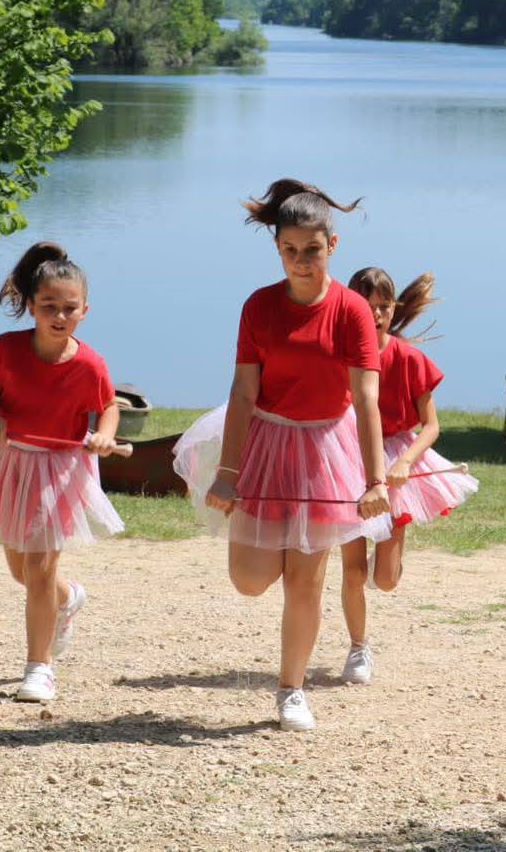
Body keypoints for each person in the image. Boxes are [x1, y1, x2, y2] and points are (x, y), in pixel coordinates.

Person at [172, 178, 391, 733]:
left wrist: (375, 480)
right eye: (290, 250)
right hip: (265, 444)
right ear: (277, 248)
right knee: (249, 578)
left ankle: (291, 690)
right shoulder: (259, 306)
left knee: (306, 578)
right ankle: (289, 665)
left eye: (312, 250)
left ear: (332, 246)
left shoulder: (352, 311)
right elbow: (244, 391)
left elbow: (366, 399)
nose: (301, 261)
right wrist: (228, 473)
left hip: (326, 450)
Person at [0, 242, 125, 704]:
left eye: (69, 308)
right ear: (31, 306)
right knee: (22, 571)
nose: (59, 316)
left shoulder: (90, 364)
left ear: (85, 311)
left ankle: (39, 668)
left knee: (39, 566)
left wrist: (105, 434)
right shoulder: (5, 349)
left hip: (60, 469)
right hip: (10, 461)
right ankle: (68, 599)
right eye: (49, 306)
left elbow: (108, 406)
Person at [337, 268, 479, 685]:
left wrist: (404, 463)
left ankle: (386, 557)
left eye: (384, 306)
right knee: (352, 573)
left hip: (397, 463)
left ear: (393, 309)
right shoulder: (337, 356)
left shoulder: (409, 359)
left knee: (384, 580)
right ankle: (358, 648)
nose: (376, 315)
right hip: (348, 457)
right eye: (366, 307)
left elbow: (431, 426)